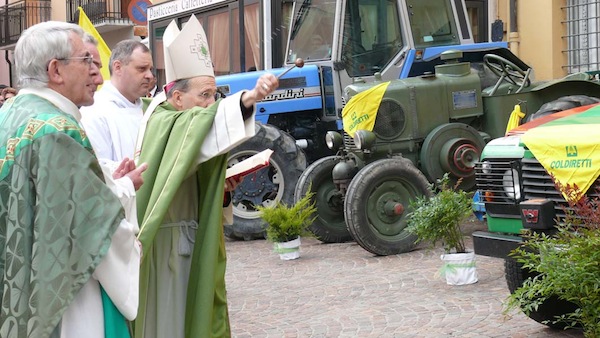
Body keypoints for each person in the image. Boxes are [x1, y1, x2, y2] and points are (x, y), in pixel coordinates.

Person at [133, 15, 278, 338]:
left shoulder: (182, 121)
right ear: (177, 97)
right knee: (171, 323)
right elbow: (202, 131)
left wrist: (222, 190)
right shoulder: (164, 122)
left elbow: (193, 163)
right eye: (204, 96)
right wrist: (249, 98)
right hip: (167, 247)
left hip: (190, 240)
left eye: (214, 96)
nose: (210, 105)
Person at [0, 21, 141, 338]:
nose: (95, 71)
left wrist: (107, 183)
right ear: (56, 70)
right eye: (86, 60)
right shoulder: (58, 129)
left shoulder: (11, 114)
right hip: (63, 294)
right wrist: (125, 191)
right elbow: (92, 227)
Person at [81, 39, 154, 162]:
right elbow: (100, 167)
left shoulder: (152, 109)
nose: (150, 76)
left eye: (150, 69)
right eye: (142, 69)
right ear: (118, 67)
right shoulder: (94, 111)